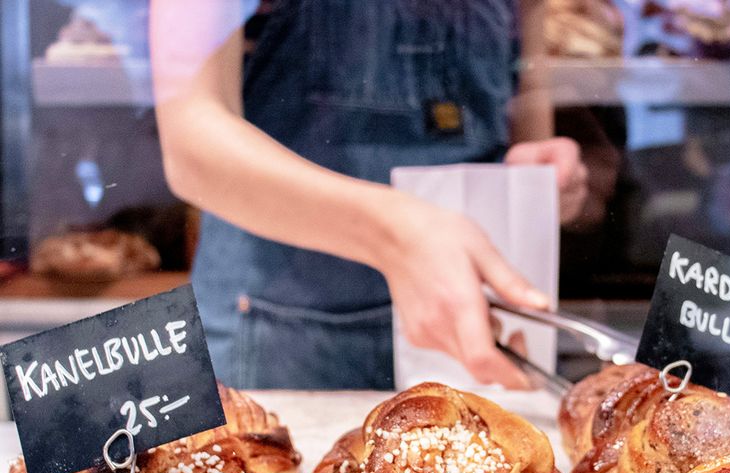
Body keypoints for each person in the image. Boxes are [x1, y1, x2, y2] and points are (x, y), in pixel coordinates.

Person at [150, 0, 589, 390]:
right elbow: (191, 145)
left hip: (471, 324)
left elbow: (527, 93)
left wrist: (537, 179)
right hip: (279, 333)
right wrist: (393, 237)